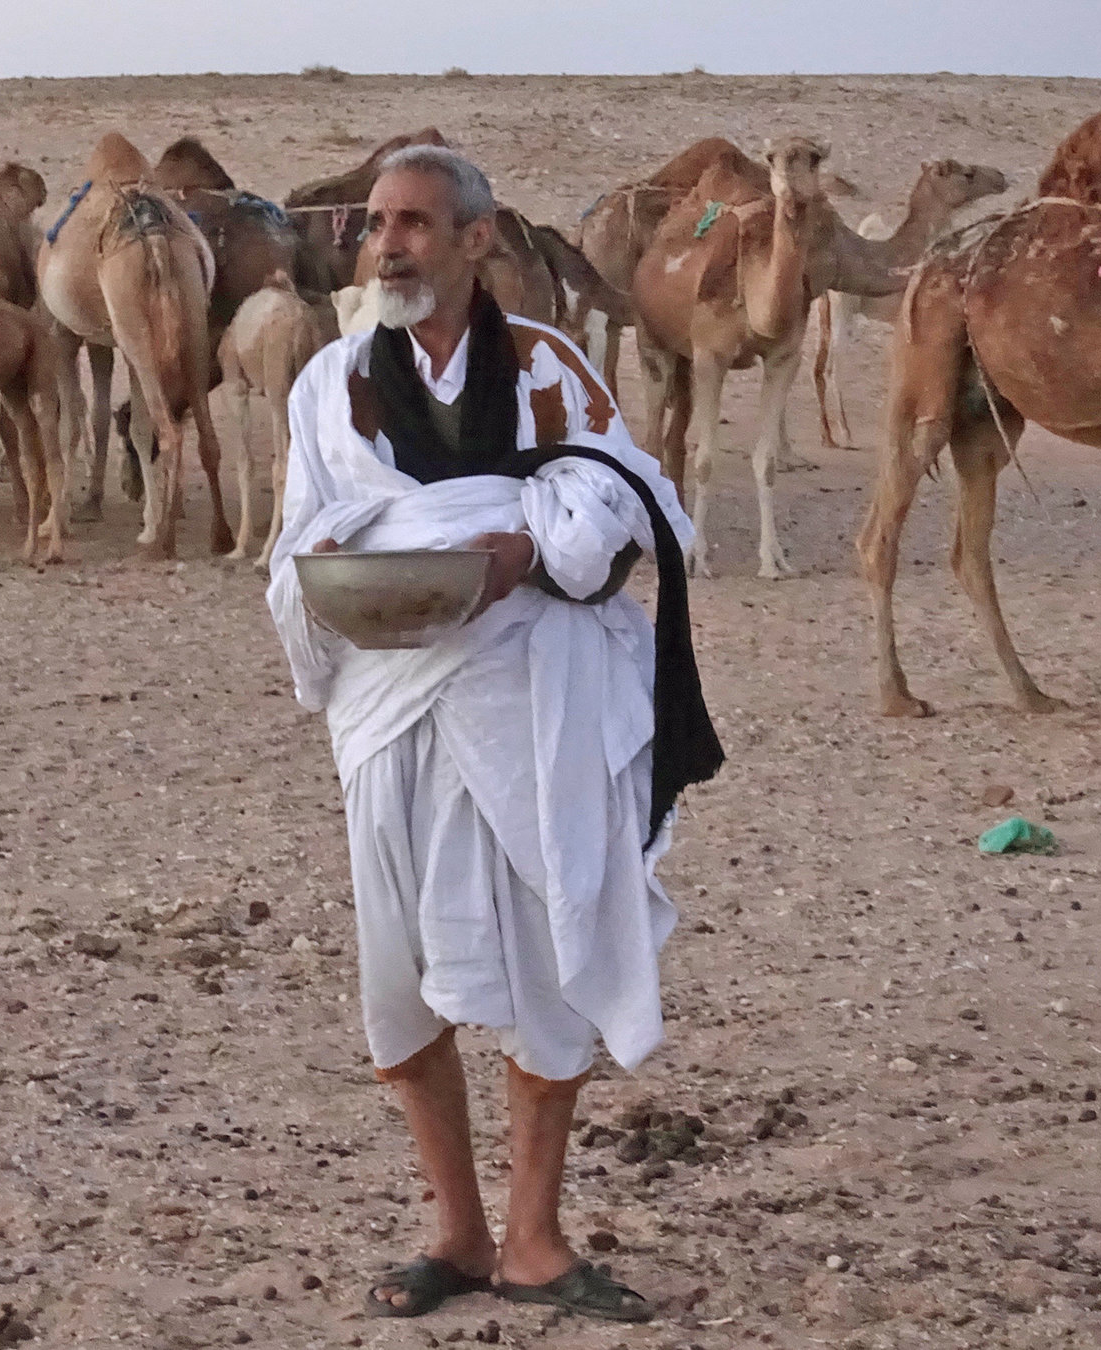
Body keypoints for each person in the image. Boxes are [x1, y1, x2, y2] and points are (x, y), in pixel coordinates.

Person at [264, 145, 721, 1324]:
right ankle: (458, 1232)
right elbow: (300, 533)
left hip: (533, 698)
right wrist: (359, 563)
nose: (388, 245)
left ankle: (534, 1239)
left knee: (551, 955)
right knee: (396, 973)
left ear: (477, 239)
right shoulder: (329, 381)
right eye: (377, 224)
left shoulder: (550, 367)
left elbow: (625, 500)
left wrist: (525, 550)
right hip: (391, 702)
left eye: (414, 223)